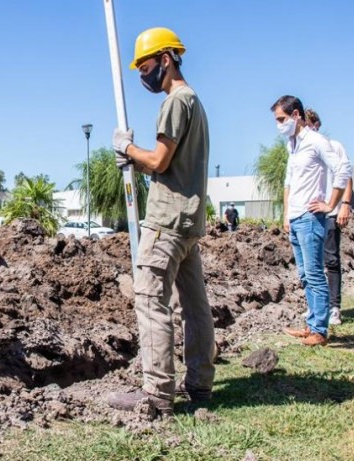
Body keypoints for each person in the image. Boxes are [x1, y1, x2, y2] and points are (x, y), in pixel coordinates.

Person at [107, 27, 215, 415]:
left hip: (167, 220)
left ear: (166, 60)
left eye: (146, 66)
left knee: (150, 301)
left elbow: (159, 161)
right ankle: (200, 385)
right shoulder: (196, 103)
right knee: (195, 307)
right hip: (188, 223)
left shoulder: (175, 102)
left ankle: (156, 395)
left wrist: (127, 148)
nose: (142, 76)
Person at [273, 96, 351, 346]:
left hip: (310, 218)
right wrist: (286, 214)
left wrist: (331, 203)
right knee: (305, 275)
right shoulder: (292, 144)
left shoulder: (316, 141)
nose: (279, 125)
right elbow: (289, 181)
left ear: (296, 115)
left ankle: (320, 330)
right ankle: (312, 324)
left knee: (316, 274)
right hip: (295, 218)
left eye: (281, 119)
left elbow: (343, 169)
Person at [303, 109, 354, 326]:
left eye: (307, 124)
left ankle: (334, 308)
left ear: (315, 124)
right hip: (309, 214)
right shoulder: (299, 150)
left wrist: (345, 205)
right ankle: (315, 306)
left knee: (331, 261)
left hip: (330, 212)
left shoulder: (334, 146)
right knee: (311, 264)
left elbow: (346, 177)